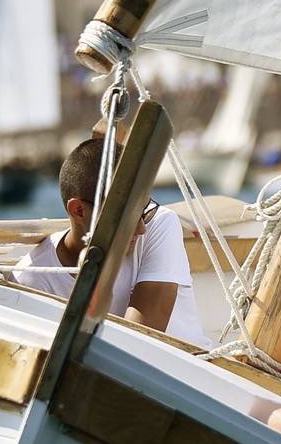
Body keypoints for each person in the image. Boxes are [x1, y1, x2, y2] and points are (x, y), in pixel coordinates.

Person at [12, 137, 209, 345]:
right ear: (78, 210)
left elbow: (141, 341)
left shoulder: (159, 224)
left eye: (143, 209)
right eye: (127, 215)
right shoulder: (30, 278)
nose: (141, 228)